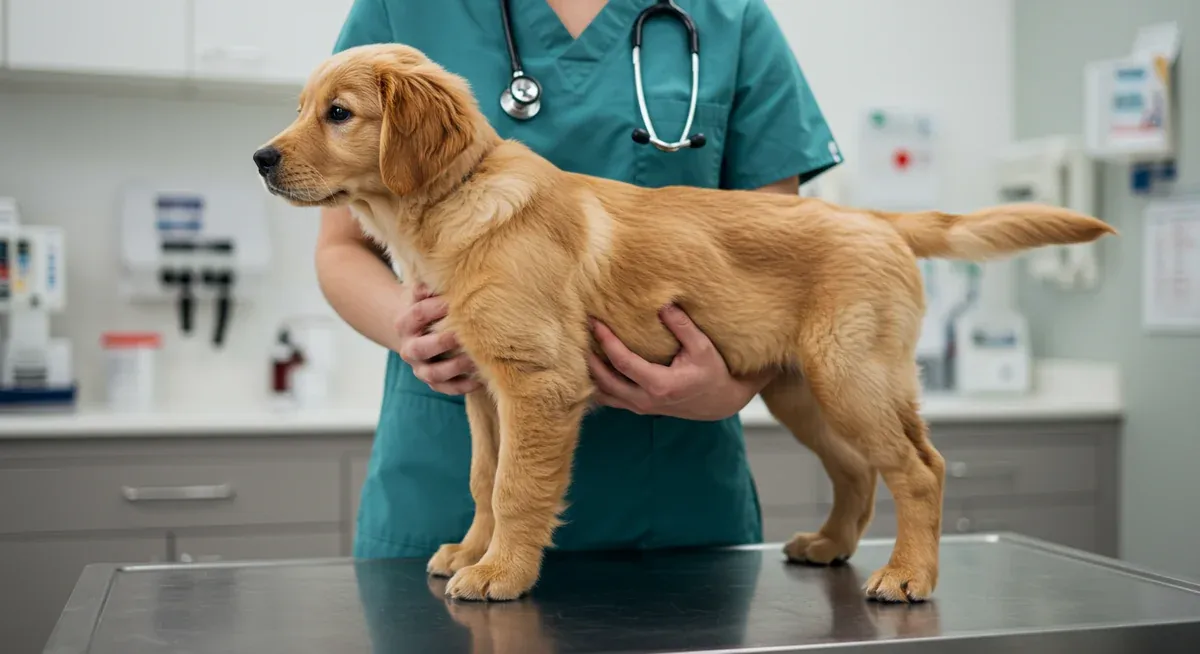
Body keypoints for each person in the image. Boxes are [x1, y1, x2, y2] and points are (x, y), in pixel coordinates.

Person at [316, 0, 843, 560]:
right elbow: (341, 247)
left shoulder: (729, 16)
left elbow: (775, 259)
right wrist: (408, 327)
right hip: (445, 484)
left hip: (667, 496)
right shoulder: (402, 10)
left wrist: (735, 386)